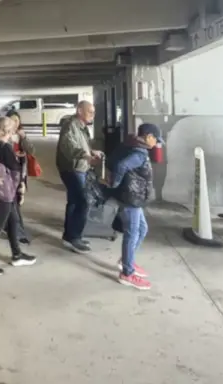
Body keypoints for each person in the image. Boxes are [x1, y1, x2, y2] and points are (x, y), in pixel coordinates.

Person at [106, 123, 163, 290]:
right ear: (148, 136)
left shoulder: (130, 144)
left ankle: (127, 261)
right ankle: (127, 273)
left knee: (142, 229)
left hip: (134, 198)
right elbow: (121, 166)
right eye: (156, 139)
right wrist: (115, 183)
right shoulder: (139, 153)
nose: (156, 143)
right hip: (131, 199)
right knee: (132, 234)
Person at [0, 117, 37, 277]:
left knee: (13, 220)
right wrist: (21, 187)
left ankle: (16, 254)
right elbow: (14, 169)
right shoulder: (5, 147)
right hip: (5, 191)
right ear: (9, 131)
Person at [56, 100, 102, 254]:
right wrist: (86, 156)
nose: (93, 115)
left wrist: (91, 151)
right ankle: (74, 237)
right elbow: (69, 146)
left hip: (79, 167)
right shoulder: (70, 125)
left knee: (74, 202)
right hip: (72, 169)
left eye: (93, 112)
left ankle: (69, 236)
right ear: (80, 111)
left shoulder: (81, 126)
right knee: (83, 201)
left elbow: (81, 144)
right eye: (90, 112)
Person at [3, 110, 34, 244]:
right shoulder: (4, 135)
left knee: (15, 203)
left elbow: (31, 150)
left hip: (20, 173)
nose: (15, 123)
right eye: (12, 120)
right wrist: (13, 154)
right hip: (8, 174)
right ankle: (18, 233)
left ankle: (6, 226)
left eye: (17, 120)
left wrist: (24, 138)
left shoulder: (21, 136)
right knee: (13, 204)